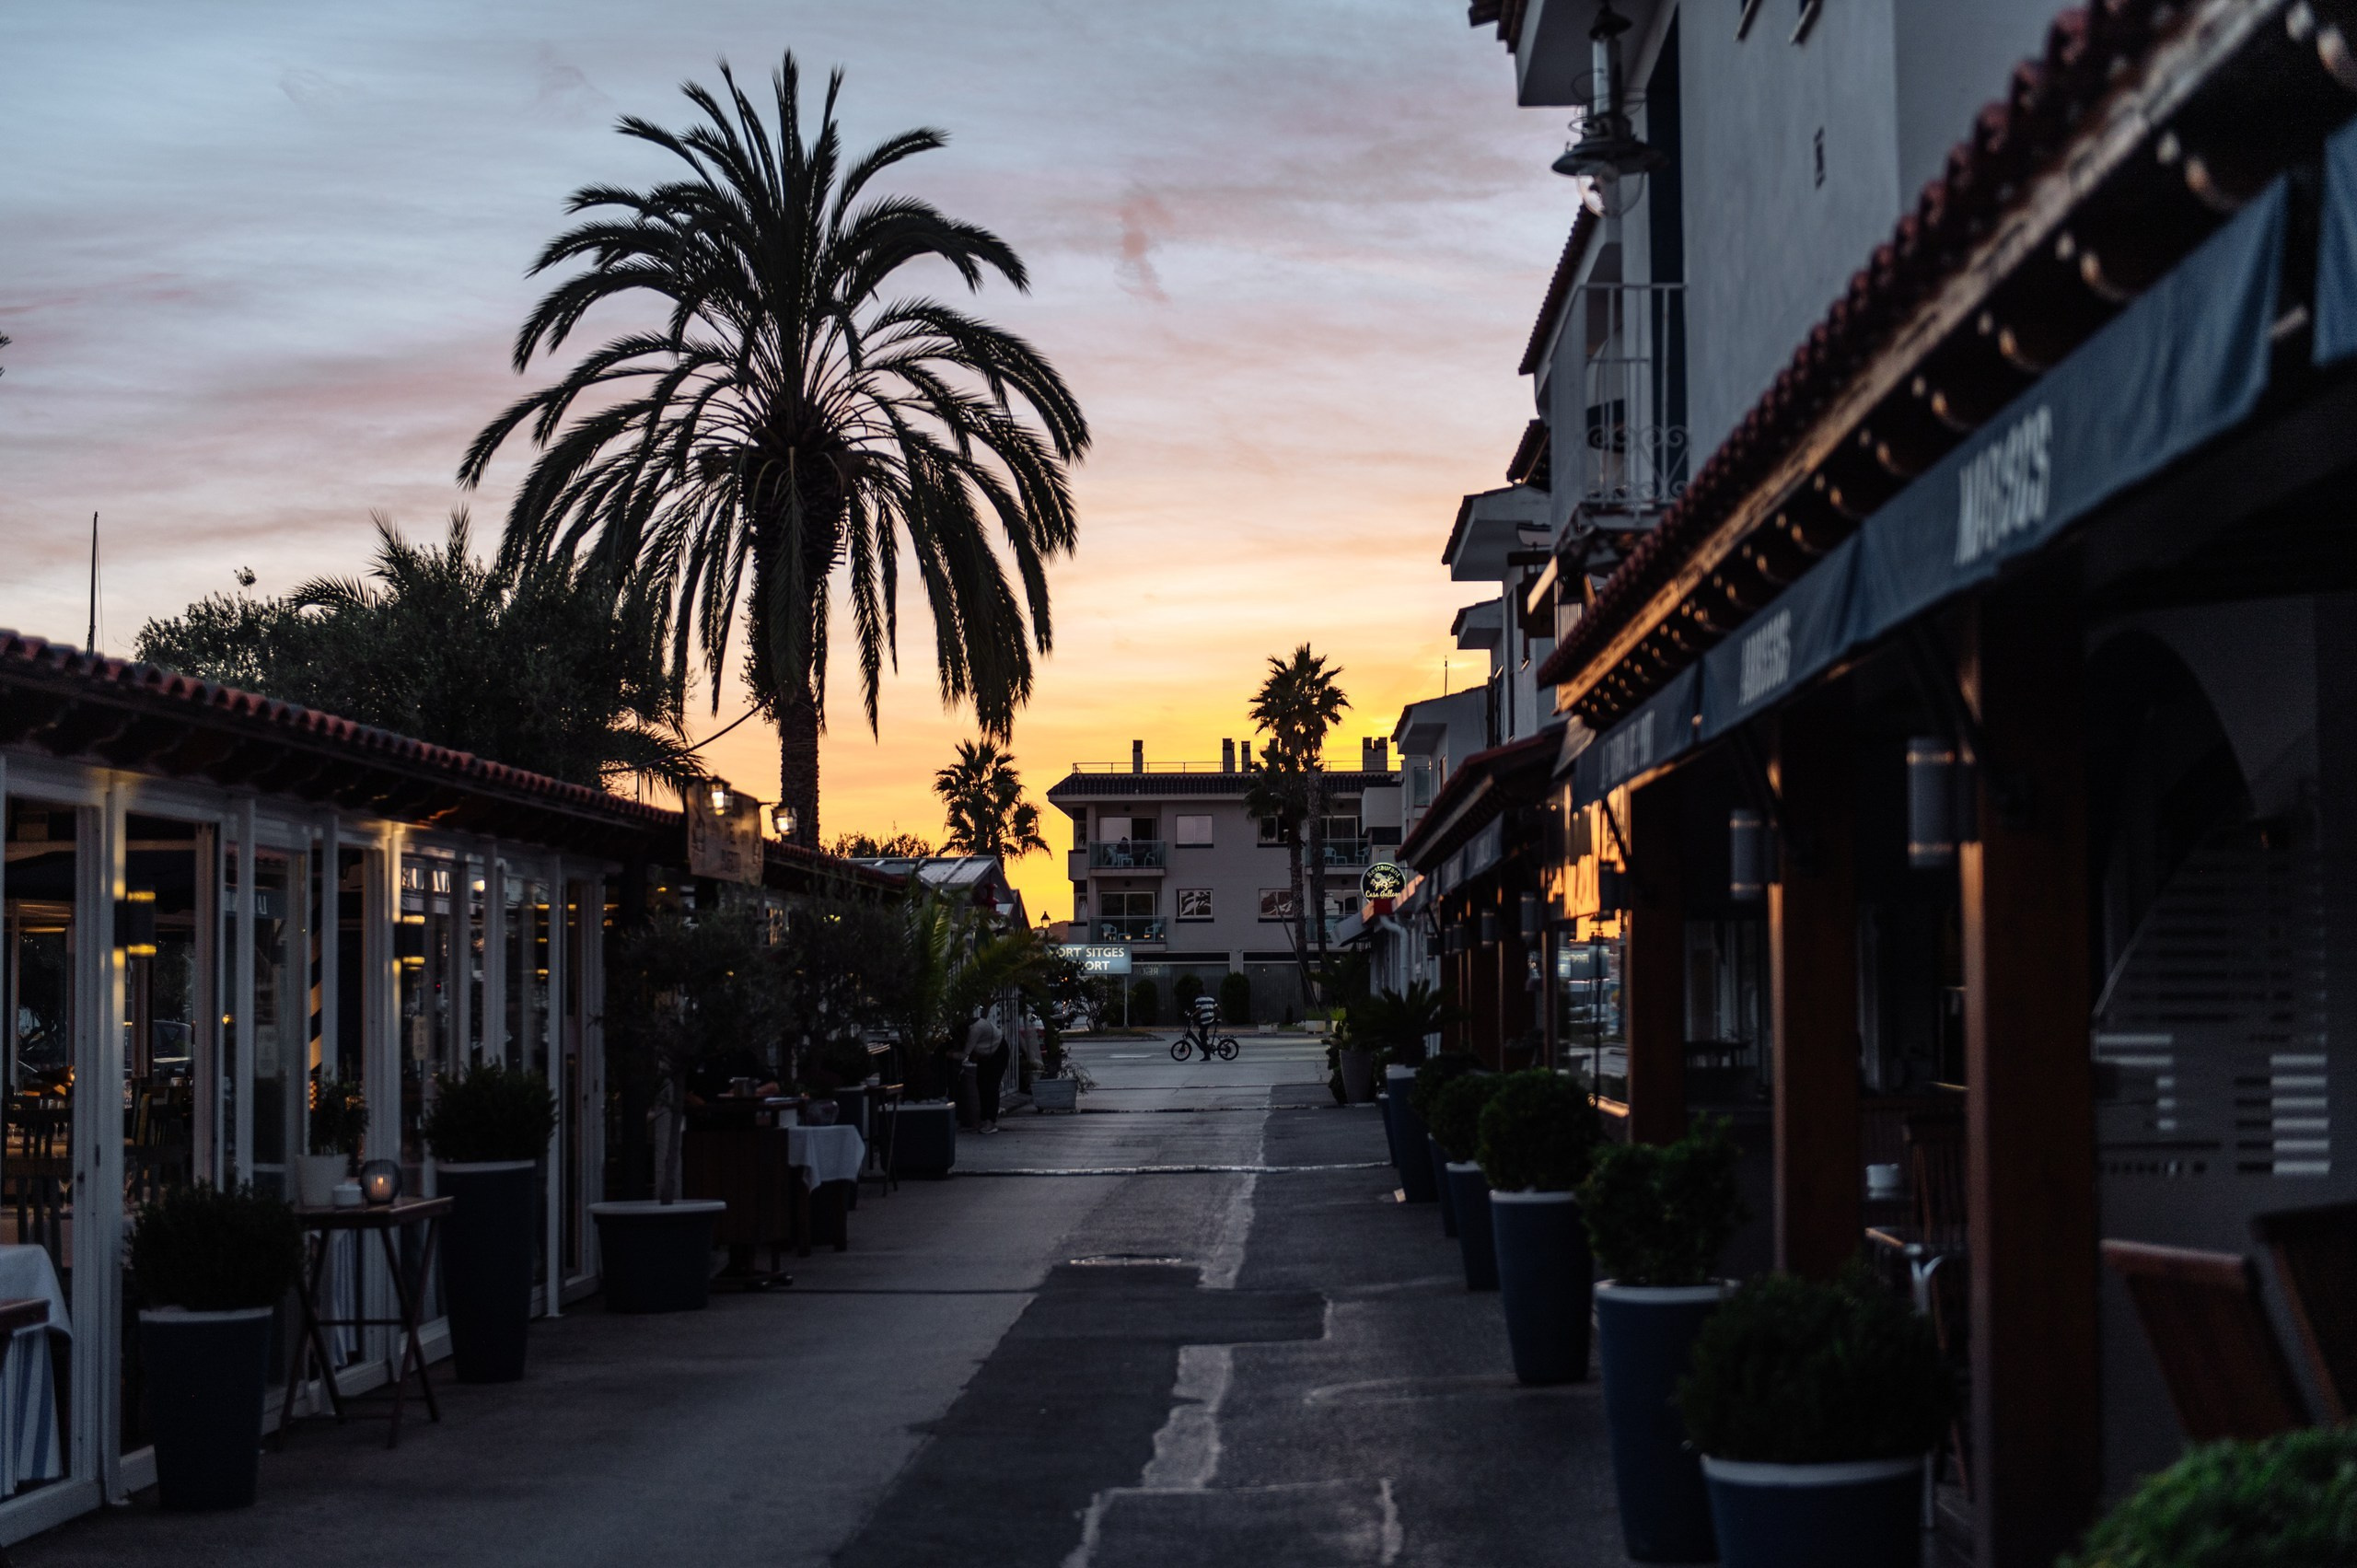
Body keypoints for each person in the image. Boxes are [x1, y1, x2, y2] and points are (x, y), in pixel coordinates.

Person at [965, 1007, 1008, 1133]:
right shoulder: (975, 1027)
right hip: (986, 1055)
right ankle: (984, 1119)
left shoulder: (975, 1029)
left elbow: (965, 1053)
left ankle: (990, 1121)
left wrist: (950, 1054)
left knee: (991, 1086)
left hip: (997, 1052)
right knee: (982, 1083)